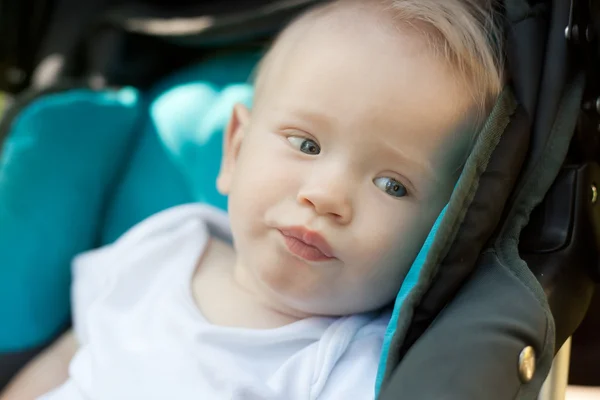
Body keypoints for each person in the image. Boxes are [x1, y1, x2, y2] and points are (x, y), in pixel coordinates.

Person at [0, 0, 505, 398]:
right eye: (306, 144)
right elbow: (71, 351)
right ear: (236, 149)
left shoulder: (348, 365)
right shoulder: (162, 244)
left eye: (393, 185)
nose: (325, 196)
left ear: (445, 228)